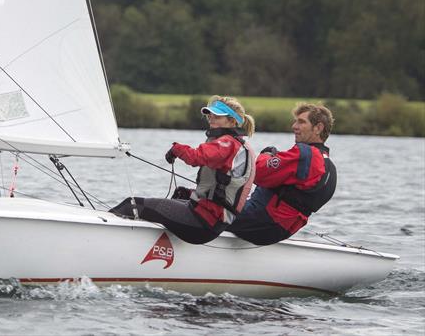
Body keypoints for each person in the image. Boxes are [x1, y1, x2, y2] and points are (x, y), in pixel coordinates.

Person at [110, 96, 256, 244]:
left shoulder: (227, 144)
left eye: (217, 116)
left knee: (131, 205)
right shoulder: (239, 146)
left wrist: (176, 149)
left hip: (202, 223)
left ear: (231, 121)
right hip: (209, 221)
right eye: (210, 115)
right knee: (176, 196)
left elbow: (196, 157)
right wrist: (192, 193)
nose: (211, 118)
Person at [229, 103, 336, 246]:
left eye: (301, 122)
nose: (294, 126)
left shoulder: (306, 155)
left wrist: (266, 154)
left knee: (201, 206)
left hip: (257, 220)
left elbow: (257, 172)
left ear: (318, 128)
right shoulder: (329, 167)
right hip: (279, 230)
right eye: (295, 121)